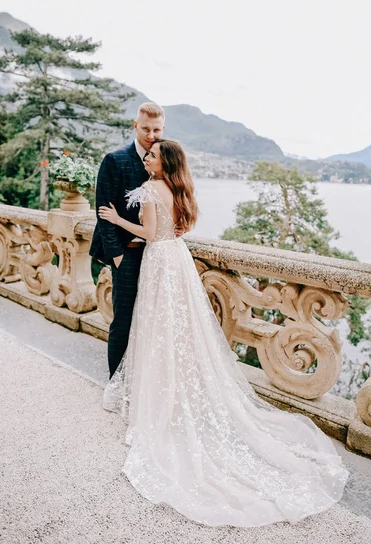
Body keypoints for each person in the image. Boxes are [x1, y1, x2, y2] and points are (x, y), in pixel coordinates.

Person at [98, 139, 349, 528]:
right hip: (177, 259)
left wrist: (116, 220)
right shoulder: (180, 190)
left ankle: (161, 396)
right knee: (179, 330)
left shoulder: (150, 189)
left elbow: (148, 233)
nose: (145, 157)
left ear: (163, 163)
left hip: (160, 262)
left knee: (158, 328)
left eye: (151, 155)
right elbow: (172, 230)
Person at [90, 102, 166, 378]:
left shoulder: (167, 159)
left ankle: (143, 381)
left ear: (163, 128)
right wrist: (117, 256)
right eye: (145, 128)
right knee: (123, 319)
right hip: (128, 252)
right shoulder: (115, 160)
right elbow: (103, 211)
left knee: (151, 320)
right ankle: (116, 382)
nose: (151, 135)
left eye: (156, 129)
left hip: (158, 255)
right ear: (135, 126)